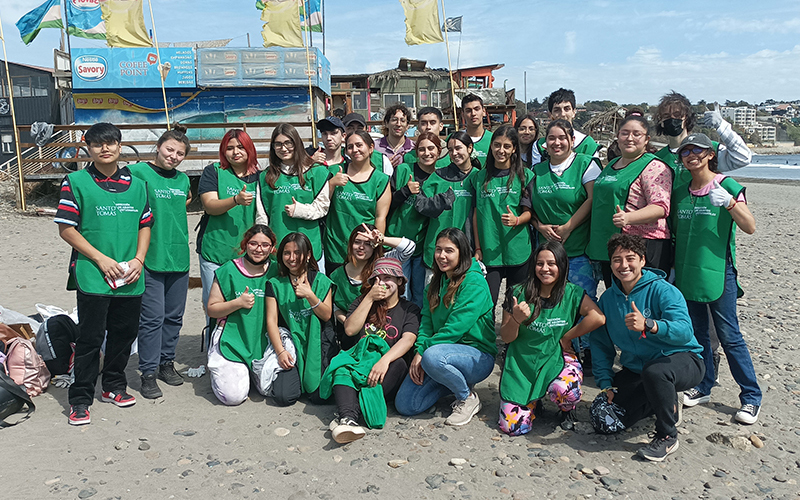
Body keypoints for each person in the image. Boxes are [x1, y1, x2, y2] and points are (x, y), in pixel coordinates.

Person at [55, 122, 153, 425]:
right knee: (91, 338)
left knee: (124, 334)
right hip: (94, 272)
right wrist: (100, 258)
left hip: (130, 274)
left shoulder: (137, 184)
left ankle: (113, 386)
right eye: (98, 144)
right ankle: (80, 398)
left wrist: (139, 259)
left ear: (120, 146)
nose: (105, 148)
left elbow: (145, 224)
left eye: (111, 143)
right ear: (89, 148)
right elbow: (66, 229)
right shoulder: (75, 181)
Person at [671, 134, 762, 424]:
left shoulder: (728, 186)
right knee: (698, 334)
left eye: (698, 150)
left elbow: (750, 227)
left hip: (719, 271)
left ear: (711, 154)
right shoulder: (681, 192)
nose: (691, 155)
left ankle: (750, 397)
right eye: (686, 151)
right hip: (687, 271)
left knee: (729, 336)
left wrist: (730, 204)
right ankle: (704, 385)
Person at [590, 234, 704, 462]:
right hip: (637, 369)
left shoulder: (663, 290)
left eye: (630, 258)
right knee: (604, 418)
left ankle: (667, 436)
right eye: (616, 260)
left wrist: (651, 325)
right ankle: (667, 404)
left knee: (657, 372)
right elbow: (601, 345)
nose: (623, 265)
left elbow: (684, 331)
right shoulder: (608, 299)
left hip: (682, 359)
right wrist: (605, 384)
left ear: (642, 260)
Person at [499, 242, 605, 435]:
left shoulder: (572, 293)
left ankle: (566, 409)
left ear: (562, 266)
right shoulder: (518, 293)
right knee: (513, 427)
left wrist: (568, 336)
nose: (545, 269)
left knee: (566, 390)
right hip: (523, 361)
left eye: (552, 263)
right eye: (540, 264)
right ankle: (533, 402)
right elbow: (506, 337)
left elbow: (598, 317)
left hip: (556, 356)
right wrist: (516, 319)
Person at [395, 228, 496, 427]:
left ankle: (466, 397)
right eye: (438, 249)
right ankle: (453, 381)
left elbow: (456, 327)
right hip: (441, 354)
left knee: (432, 356)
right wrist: (420, 349)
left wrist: (423, 352)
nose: (442, 256)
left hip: (477, 356)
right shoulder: (434, 284)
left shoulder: (474, 282)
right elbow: (426, 323)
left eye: (449, 251)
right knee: (406, 404)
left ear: (462, 253)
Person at [321, 257, 421, 443]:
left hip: (387, 368)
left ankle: (347, 412)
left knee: (398, 363)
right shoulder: (362, 301)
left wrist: (384, 361)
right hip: (360, 363)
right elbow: (350, 329)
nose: (382, 283)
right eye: (377, 278)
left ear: (400, 281)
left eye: (388, 278)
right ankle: (349, 419)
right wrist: (369, 298)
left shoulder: (409, 309)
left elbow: (408, 340)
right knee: (342, 365)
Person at [530, 119, 602, 369]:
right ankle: (560, 352)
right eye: (551, 138)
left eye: (562, 137)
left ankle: (591, 355)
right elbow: (527, 207)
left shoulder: (586, 165)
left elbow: (593, 199)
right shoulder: (536, 172)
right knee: (553, 305)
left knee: (584, 303)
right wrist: (540, 226)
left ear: (572, 140)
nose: (557, 142)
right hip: (548, 254)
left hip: (578, 250)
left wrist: (570, 225)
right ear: (544, 144)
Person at [128, 124, 192, 399]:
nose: (173, 156)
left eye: (179, 153)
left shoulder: (183, 180)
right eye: (169, 149)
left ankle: (167, 362)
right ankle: (149, 372)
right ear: (158, 147)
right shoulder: (137, 172)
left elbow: (184, 204)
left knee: (174, 317)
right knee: (151, 318)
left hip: (178, 255)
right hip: (150, 256)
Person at [587, 116, 673, 286]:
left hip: (644, 245)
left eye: (636, 134)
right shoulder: (611, 165)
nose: (630, 138)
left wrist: (629, 218)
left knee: (642, 299)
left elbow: (661, 207)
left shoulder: (654, 166)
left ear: (647, 139)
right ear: (618, 136)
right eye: (625, 133)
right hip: (612, 244)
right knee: (616, 297)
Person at [206, 225, 278, 405]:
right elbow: (212, 309)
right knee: (233, 397)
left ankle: (250, 375)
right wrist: (237, 303)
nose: (259, 249)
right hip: (233, 342)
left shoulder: (277, 270)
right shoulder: (228, 270)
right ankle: (219, 366)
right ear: (245, 244)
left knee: (273, 391)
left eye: (264, 245)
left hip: (265, 344)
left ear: (272, 248)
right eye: (253, 243)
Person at [197, 129, 261, 327]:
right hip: (215, 250)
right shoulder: (214, 171)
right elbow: (209, 205)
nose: (236, 152)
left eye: (241, 147)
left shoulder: (262, 177)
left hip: (249, 254)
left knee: (248, 305)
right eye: (230, 148)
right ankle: (214, 352)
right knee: (215, 306)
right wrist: (235, 200)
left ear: (250, 149)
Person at [265, 232, 337, 406]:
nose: (292, 258)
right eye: (287, 253)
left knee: (320, 396)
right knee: (284, 397)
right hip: (291, 345)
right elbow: (271, 322)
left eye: (297, 253)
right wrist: (281, 351)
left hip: (317, 343)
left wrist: (310, 295)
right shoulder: (275, 283)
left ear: (309, 255)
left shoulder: (321, 281)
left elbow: (326, 315)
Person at [471, 124, 535, 305]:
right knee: (487, 302)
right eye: (497, 145)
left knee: (514, 302)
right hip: (489, 251)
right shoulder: (479, 177)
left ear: (514, 148)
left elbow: (528, 213)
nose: (501, 150)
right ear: (491, 146)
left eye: (507, 146)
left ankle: (511, 334)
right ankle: (487, 334)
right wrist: (477, 247)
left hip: (518, 249)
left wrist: (517, 220)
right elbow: (476, 214)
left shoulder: (525, 175)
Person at [329, 224, 415, 350]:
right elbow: (334, 306)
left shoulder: (384, 263)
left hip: (385, 330)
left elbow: (409, 248)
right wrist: (350, 321)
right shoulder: (336, 275)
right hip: (354, 332)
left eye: (368, 243)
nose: (361, 247)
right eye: (357, 242)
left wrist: (382, 240)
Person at [256, 123, 330, 267]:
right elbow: (262, 215)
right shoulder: (266, 177)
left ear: (297, 143)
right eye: (278, 144)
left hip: (309, 248)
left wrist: (300, 211)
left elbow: (322, 207)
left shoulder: (317, 172)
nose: (283, 148)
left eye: (288, 143)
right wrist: (263, 242)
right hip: (279, 249)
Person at [387, 131, 441, 308]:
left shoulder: (439, 178)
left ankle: (414, 331)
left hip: (420, 245)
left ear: (439, 151)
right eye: (422, 149)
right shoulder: (404, 170)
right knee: (398, 291)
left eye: (431, 148)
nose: (427, 153)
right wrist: (405, 191)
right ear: (416, 152)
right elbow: (388, 203)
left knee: (418, 294)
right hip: (397, 243)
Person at [324, 131, 391, 273]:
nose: (355, 150)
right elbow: (321, 206)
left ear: (371, 147)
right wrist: (331, 185)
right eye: (350, 146)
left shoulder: (381, 180)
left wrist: (375, 245)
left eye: (359, 145)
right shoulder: (335, 172)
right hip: (336, 247)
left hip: (364, 249)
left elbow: (380, 217)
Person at [414, 132, 480, 274]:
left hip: (467, 250)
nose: (454, 153)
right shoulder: (438, 176)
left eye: (458, 148)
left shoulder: (478, 176)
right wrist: (441, 201)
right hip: (438, 252)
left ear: (470, 148)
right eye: (450, 150)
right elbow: (420, 205)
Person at [654, 92, 751, 187]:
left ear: (687, 118)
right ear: (661, 122)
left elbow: (743, 158)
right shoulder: (657, 158)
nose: (672, 119)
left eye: (677, 115)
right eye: (666, 116)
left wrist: (721, 126)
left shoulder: (708, 148)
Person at [535, 88, 600, 161]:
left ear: (574, 112)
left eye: (567, 109)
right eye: (557, 110)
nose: (562, 114)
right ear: (550, 114)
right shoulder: (539, 145)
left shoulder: (587, 144)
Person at [375, 103, 415, 169]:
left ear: (407, 126)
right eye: (394, 120)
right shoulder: (375, 147)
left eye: (402, 120)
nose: (398, 124)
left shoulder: (413, 147)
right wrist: (385, 167)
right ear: (386, 123)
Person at [461, 94, 492, 167]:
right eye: (468, 111)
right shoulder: (454, 139)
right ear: (463, 114)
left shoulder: (493, 139)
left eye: (477, 109)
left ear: (483, 111)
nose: (473, 114)